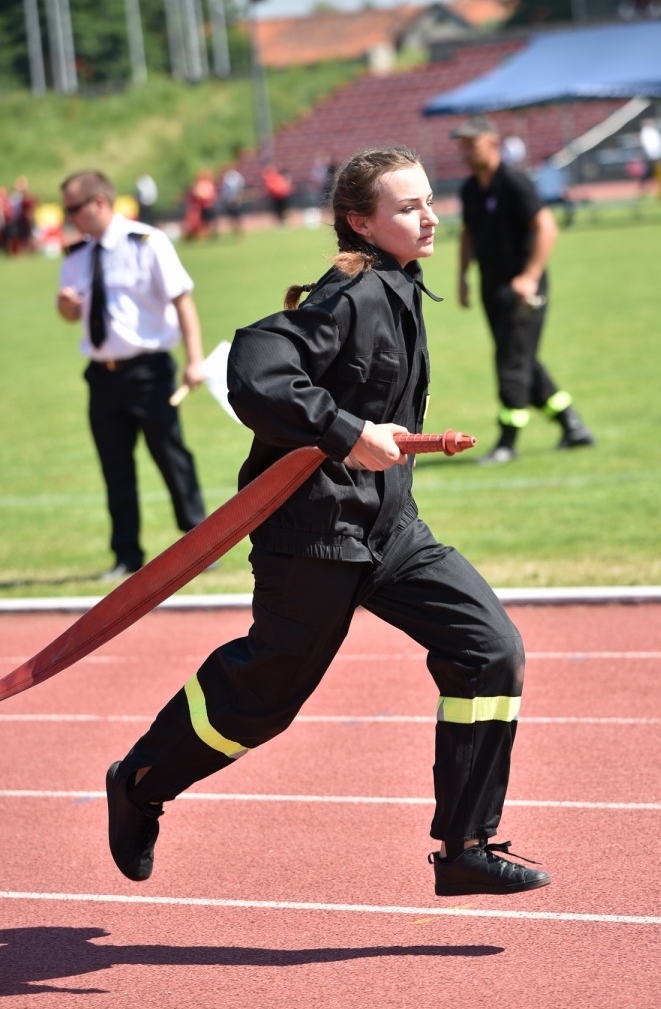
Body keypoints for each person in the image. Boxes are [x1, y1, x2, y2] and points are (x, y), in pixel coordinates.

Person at [104, 145, 551, 900]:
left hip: (390, 528)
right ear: (360, 222)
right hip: (313, 534)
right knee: (264, 697)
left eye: (428, 200)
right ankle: (141, 780)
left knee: (488, 649)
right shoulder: (350, 294)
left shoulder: (400, 287)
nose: (429, 215)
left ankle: (466, 844)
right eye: (406, 206)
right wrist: (344, 431)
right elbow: (254, 364)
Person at [57, 170, 207, 580]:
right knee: (114, 466)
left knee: (171, 456)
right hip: (102, 376)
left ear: (100, 203)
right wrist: (67, 306)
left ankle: (199, 544)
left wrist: (194, 360)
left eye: (74, 209)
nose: (70, 217)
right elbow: (71, 314)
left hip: (149, 370)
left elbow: (182, 301)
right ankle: (126, 555)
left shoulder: (147, 242)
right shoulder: (76, 256)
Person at [454, 115, 594, 462]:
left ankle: (507, 443)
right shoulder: (470, 188)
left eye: (472, 145)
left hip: (522, 288)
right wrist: (462, 276)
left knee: (510, 361)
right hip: (491, 284)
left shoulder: (515, 183)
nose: (465, 152)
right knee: (520, 356)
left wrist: (530, 276)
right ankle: (571, 425)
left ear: (493, 144)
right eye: (462, 146)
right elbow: (469, 234)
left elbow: (547, 228)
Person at [638, 117, 661, 195]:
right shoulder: (650, 132)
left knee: (650, 172)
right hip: (654, 156)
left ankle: (646, 187)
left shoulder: (647, 132)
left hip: (652, 156)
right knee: (651, 172)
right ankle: (646, 187)